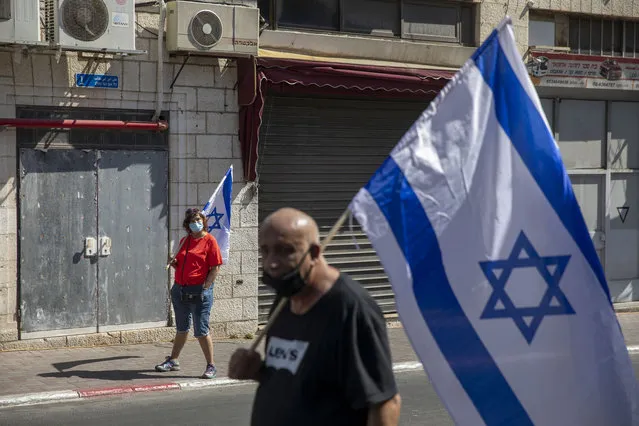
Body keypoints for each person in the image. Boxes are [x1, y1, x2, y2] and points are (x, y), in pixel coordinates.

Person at [228, 207, 401, 426]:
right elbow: (301, 379)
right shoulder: (286, 298)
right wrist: (258, 371)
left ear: (315, 253)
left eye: (285, 250)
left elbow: (385, 402)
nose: (271, 262)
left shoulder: (351, 309)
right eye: (266, 250)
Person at [156, 207, 223, 379]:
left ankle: (211, 365)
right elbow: (181, 265)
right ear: (187, 225)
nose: (196, 224)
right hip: (180, 290)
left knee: (201, 330)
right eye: (192, 221)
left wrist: (206, 287)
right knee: (182, 328)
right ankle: (173, 360)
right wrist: (173, 262)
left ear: (204, 222)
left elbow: (215, 268)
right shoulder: (185, 240)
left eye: (198, 220)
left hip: (199, 291)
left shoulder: (210, 241)